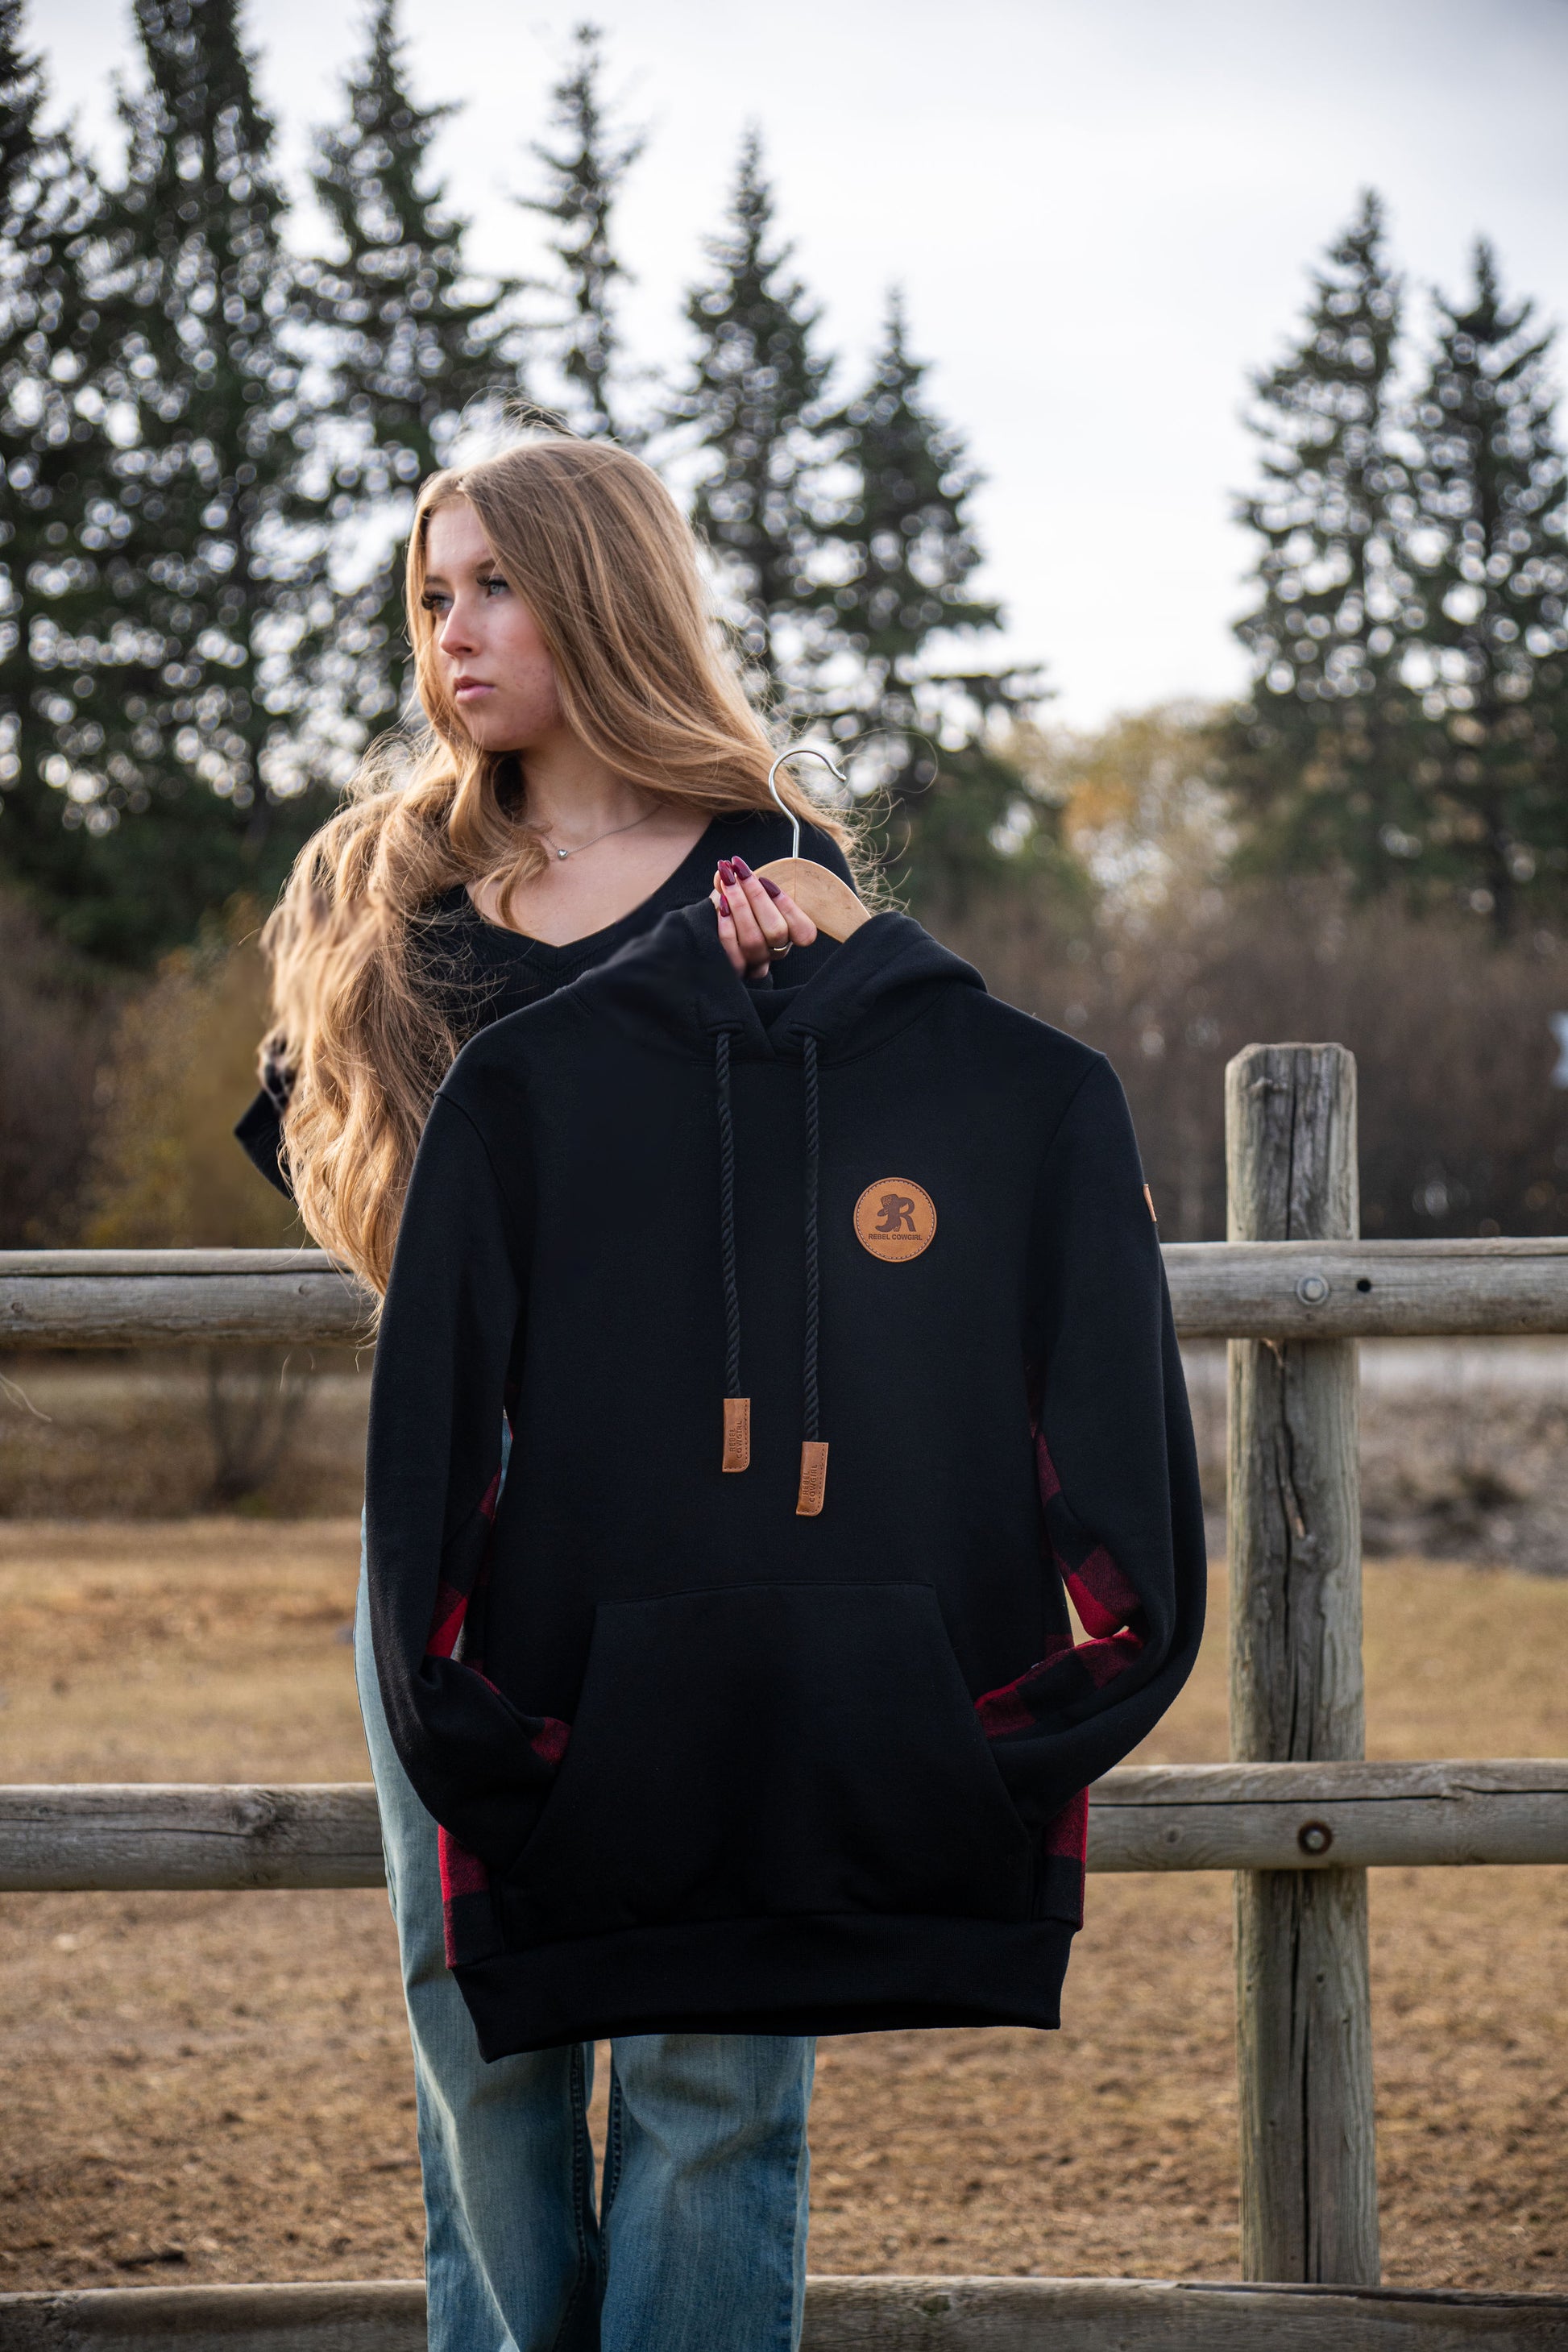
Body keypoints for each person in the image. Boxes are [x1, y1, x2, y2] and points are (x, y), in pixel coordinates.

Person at [238, 433, 859, 2352]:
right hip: (467, 1490)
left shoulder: (773, 866)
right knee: (482, 2021)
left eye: (496, 584)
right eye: (434, 593)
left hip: (733, 1497)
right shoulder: (385, 884)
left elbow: (880, 1194)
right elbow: (314, 1153)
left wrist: (803, 1025)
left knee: (713, 2052)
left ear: (603, 590)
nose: (455, 630)